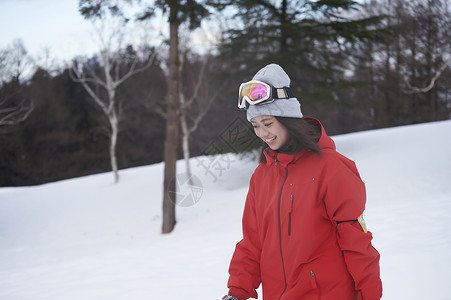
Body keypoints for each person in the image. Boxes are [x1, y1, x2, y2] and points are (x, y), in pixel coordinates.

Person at [222, 64, 382, 300]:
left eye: (268, 123)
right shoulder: (262, 176)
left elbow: (356, 240)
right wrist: (237, 292)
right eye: (255, 126)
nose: (263, 133)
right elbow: (253, 242)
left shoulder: (332, 167)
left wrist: (370, 295)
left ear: (287, 118)